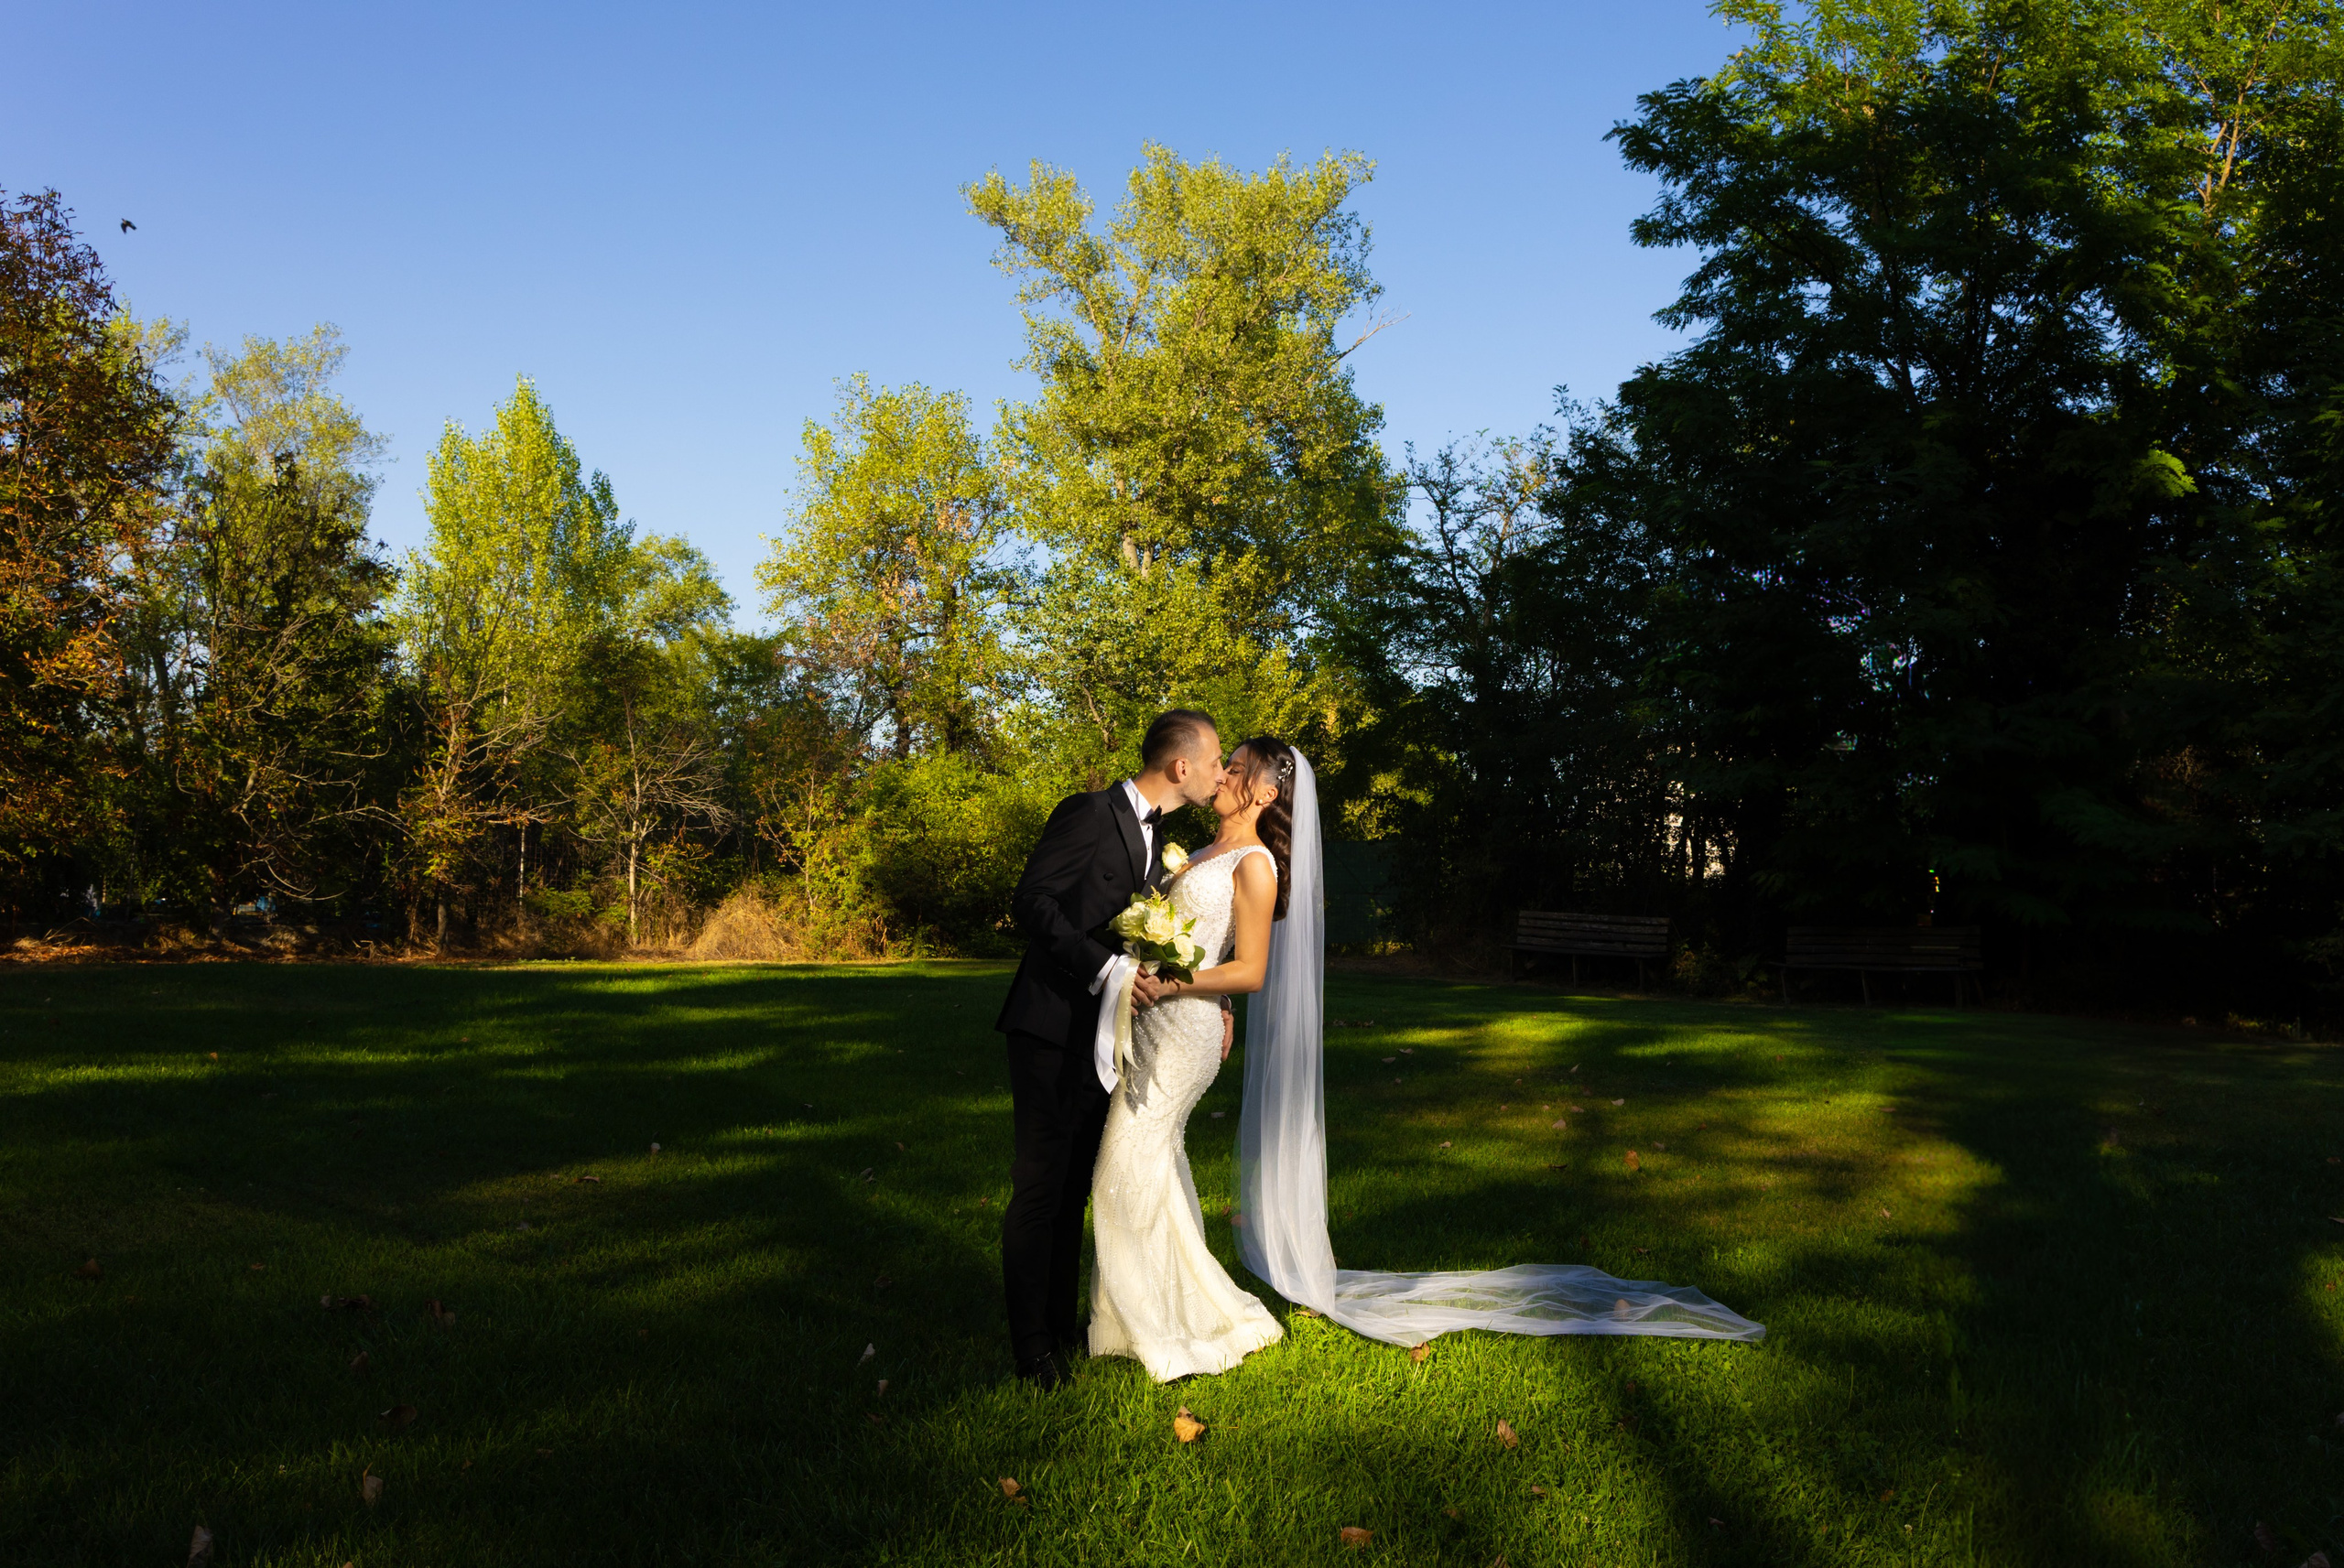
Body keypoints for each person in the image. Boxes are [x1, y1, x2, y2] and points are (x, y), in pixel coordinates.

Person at [993, 709, 1227, 1390]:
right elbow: (1033, 903)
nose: (1219, 772)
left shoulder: (1161, 843)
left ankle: (1061, 1325)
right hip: (1049, 1025)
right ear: (1180, 766)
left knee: (1073, 1188)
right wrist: (1108, 970)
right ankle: (1031, 1348)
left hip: (1104, 1035)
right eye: (1214, 760)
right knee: (1039, 1185)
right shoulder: (1089, 812)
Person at [1083, 737, 1294, 1380]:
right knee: (1156, 1168)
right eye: (1224, 764)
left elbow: (1250, 969)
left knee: (1122, 1165)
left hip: (1185, 1033)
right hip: (1150, 1022)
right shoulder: (1198, 852)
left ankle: (1157, 1323)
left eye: (1237, 769)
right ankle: (1136, 1316)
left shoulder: (1256, 863)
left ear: (1266, 792)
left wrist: (1180, 985)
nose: (1224, 774)